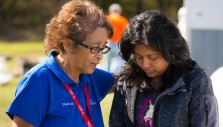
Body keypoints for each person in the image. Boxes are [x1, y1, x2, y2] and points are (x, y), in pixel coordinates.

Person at [6, 0, 114, 127]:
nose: (100, 56)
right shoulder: (39, 80)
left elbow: (124, 81)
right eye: (94, 48)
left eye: (103, 48)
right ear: (68, 45)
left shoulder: (91, 75)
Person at [109, 10, 219, 127]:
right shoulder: (127, 81)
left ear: (171, 52)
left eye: (153, 57)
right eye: (139, 57)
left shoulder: (195, 82)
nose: (145, 64)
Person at [105, 3, 128, 73]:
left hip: (108, 43)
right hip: (118, 44)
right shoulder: (123, 20)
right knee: (119, 62)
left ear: (110, 11)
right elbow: (126, 32)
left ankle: (106, 76)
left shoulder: (106, 19)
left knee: (107, 63)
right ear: (119, 11)